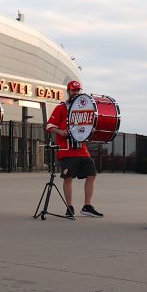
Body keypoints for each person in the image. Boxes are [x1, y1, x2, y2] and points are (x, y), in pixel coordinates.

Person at [46, 80, 103, 218]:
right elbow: (49, 126)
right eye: (73, 90)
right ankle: (69, 207)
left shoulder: (84, 108)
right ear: (68, 91)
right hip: (66, 149)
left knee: (91, 174)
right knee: (68, 177)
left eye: (78, 91)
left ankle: (87, 206)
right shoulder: (61, 108)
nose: (75, 93)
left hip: (81, 148)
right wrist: (60, 132)